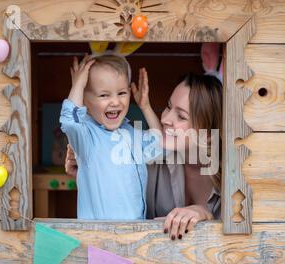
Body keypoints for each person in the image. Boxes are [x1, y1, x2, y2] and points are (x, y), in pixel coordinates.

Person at [66, 70, 223, 240]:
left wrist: (204, 213)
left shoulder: (234, 175)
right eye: (169, 107)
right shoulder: (146, 160)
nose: (165, 119)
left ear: (207, 134)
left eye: (181, 116)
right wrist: (93, 169)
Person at [60, 53, 162, 220]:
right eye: (104, 95)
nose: (115, 101)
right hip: (99, 240)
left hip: (135, 237)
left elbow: (159, 145)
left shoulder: (132, 134)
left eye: (121, 93)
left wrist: (146, 107)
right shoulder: (87, 138)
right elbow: (70, 121)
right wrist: (78, 85)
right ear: (84, 100)